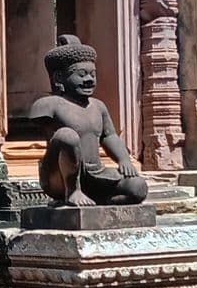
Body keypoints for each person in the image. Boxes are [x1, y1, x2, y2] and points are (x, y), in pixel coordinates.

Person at [30, 35, 148, 207]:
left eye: (93, 74)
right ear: (59, 78)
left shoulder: (98, 106)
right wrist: (70, 186)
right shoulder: (49, 105)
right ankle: (73, 193)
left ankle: (98, 201)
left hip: (96, 175)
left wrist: (124, 160)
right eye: (81, 75)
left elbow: (110, 136)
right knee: (67, 135)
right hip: (59, 179)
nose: (89, 79)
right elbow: (58, 140)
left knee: (138, 187)